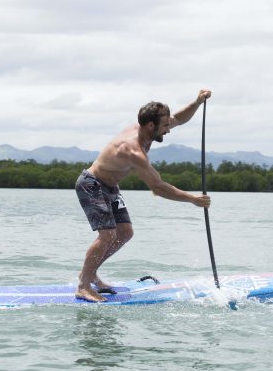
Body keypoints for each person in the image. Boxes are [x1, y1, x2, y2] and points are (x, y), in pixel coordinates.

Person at [75, 89, 212, 302]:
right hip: (91, 185)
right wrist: (192, 199)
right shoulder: (133, 151)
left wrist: (197, 102)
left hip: (111, 187)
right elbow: (158, 187)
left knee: (125, 233)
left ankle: (90, 273)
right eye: (165, 125)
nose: (168, 129)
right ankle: (83, 285)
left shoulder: (149, 128)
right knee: (108, 235)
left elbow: (179, 118)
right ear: (151, 126)